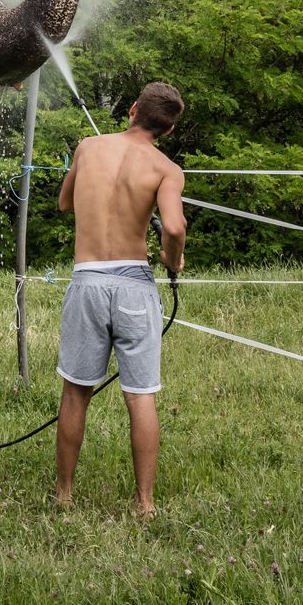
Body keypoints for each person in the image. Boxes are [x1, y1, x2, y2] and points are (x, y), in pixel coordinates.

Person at [52, 81, 187, 515]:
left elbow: (64, 203)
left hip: (88, 280)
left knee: (75, 393)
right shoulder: (166, 168)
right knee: (141, 395)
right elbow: (174, 228)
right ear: (166, 131)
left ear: (132, 109)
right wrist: (172, 259)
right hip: (134, 283)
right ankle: (144, 504)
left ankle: (64, 494)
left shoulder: (88, 147)